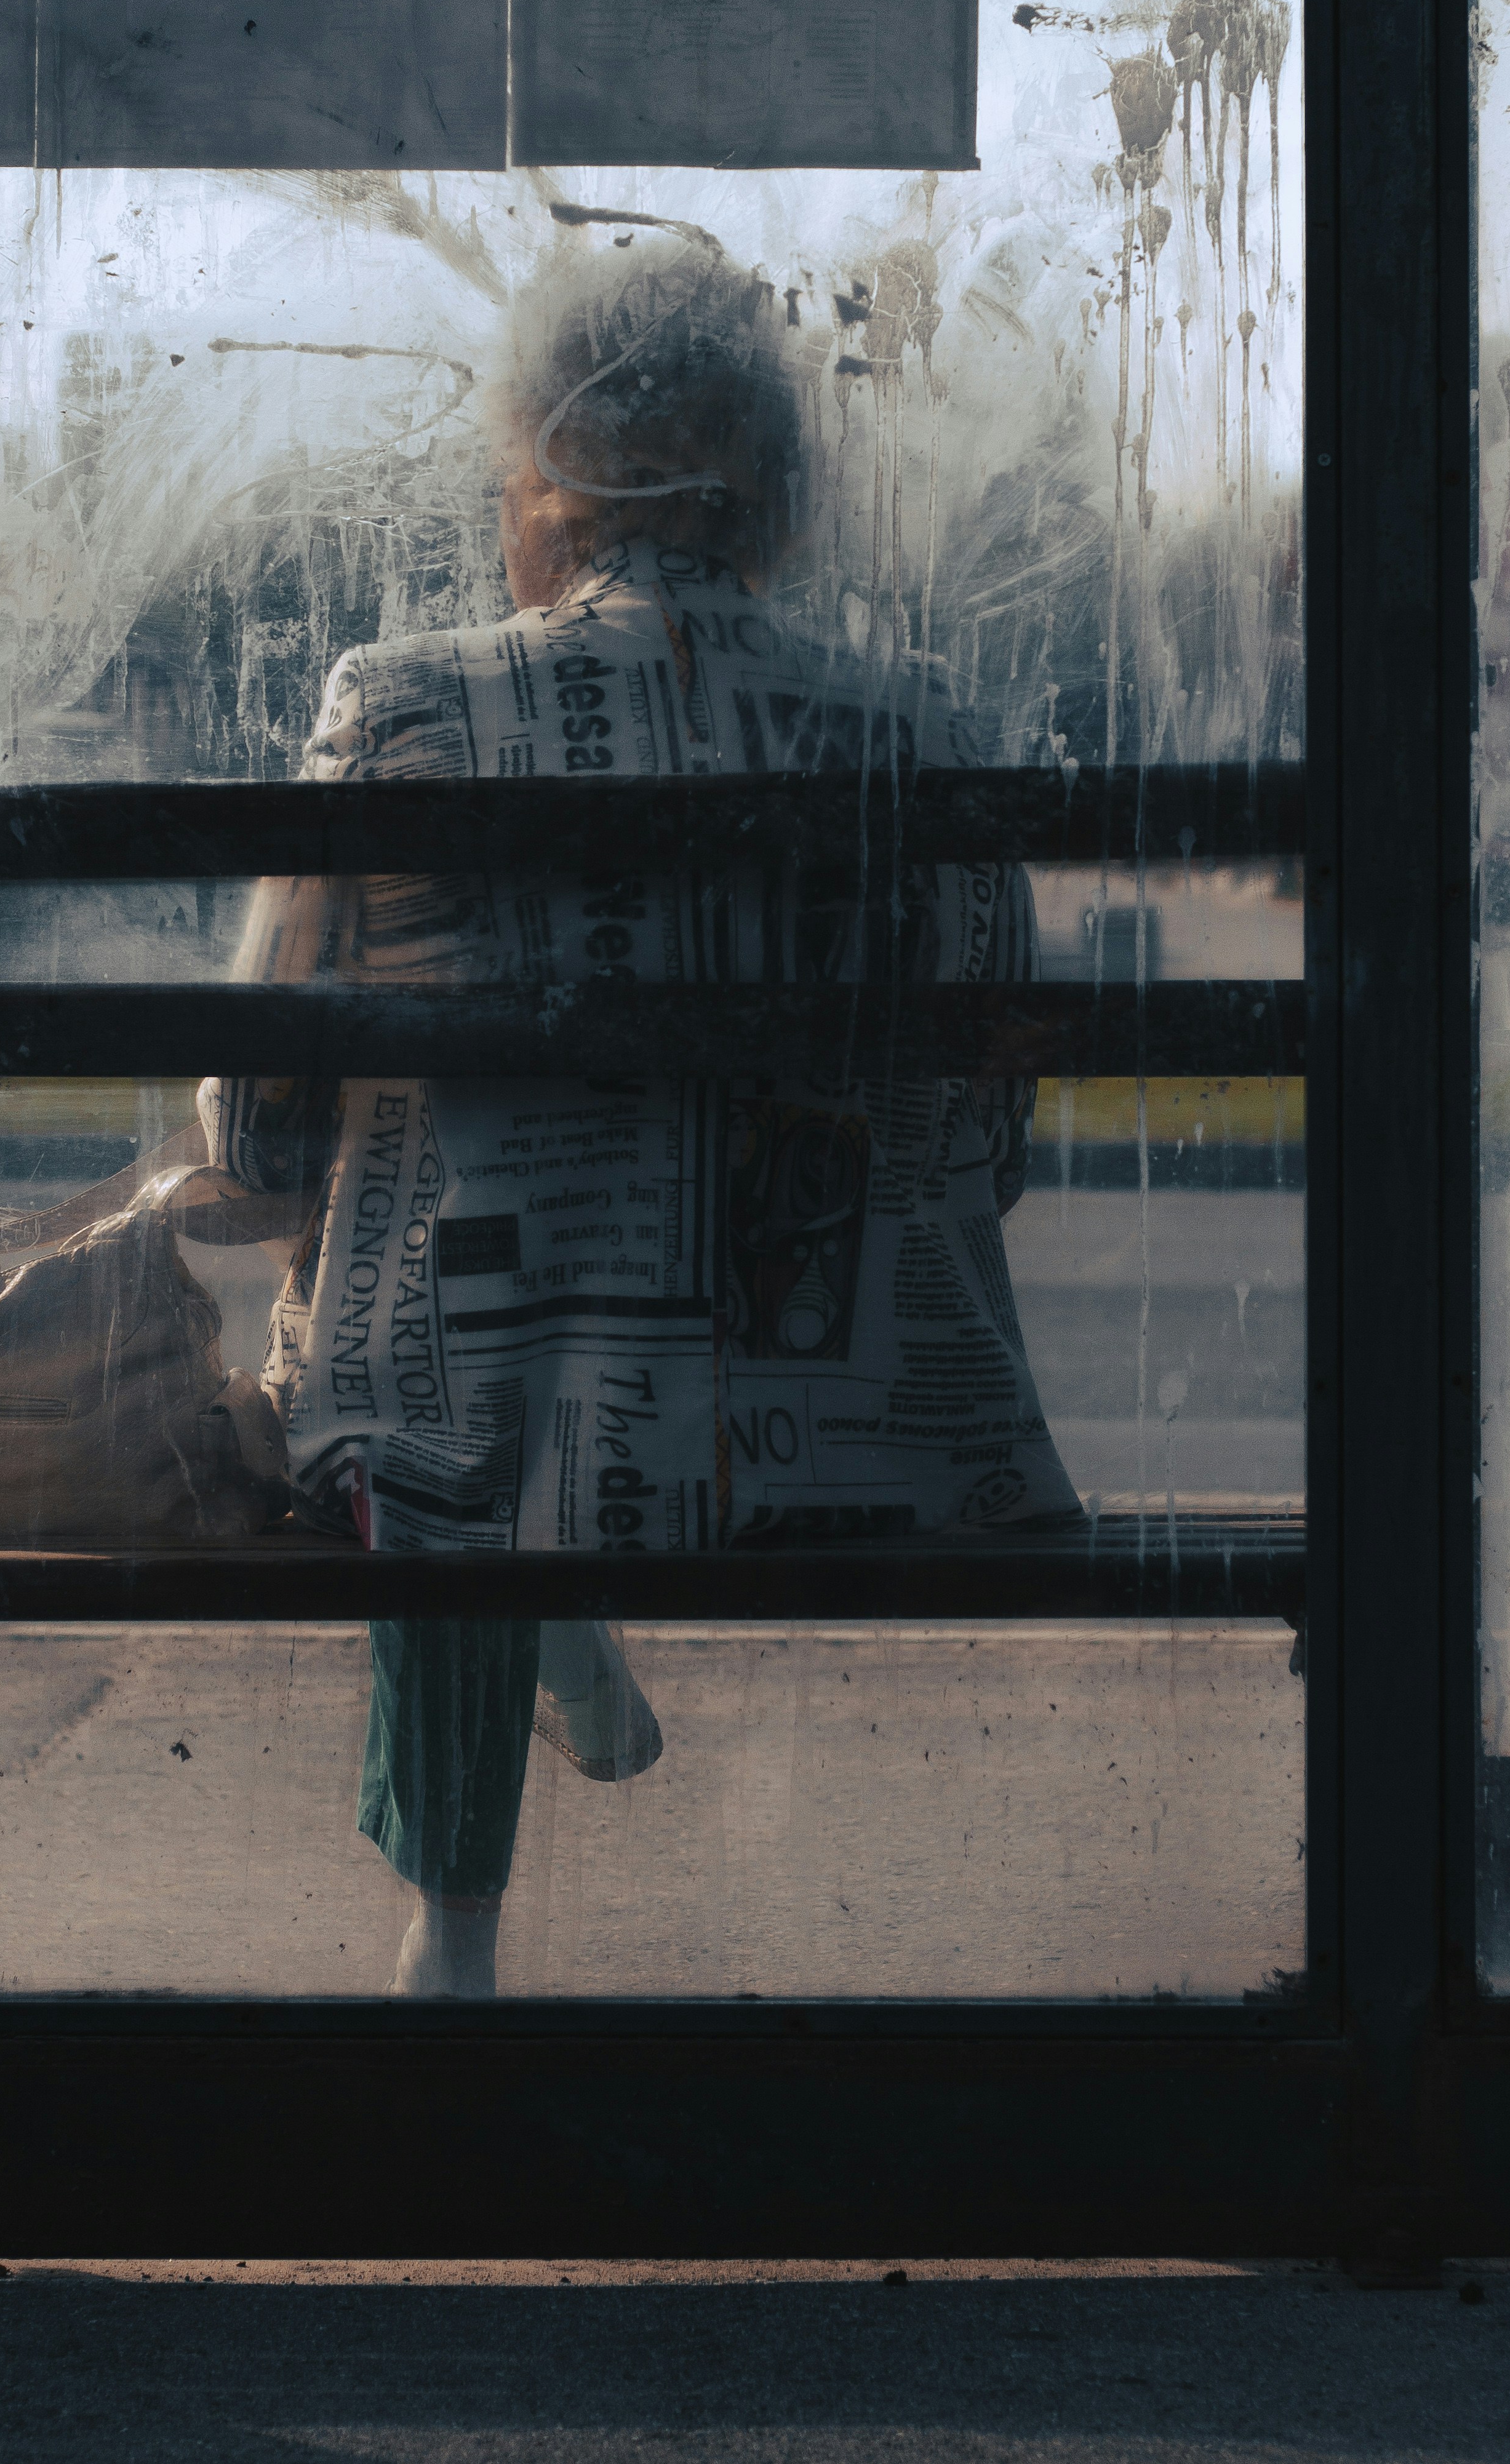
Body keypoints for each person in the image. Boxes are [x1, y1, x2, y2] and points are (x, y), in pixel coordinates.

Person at [200, 230, 1081, 1995]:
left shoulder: (400, 709)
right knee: (478, 1336)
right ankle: (561, 1601)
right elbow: (986, 1162)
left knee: (421, 1365)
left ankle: (454, 1927)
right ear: (775, 484)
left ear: (538, 469)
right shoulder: (926, 732)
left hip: (476, 1434)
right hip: (876, 1462)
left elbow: (254, 1148)